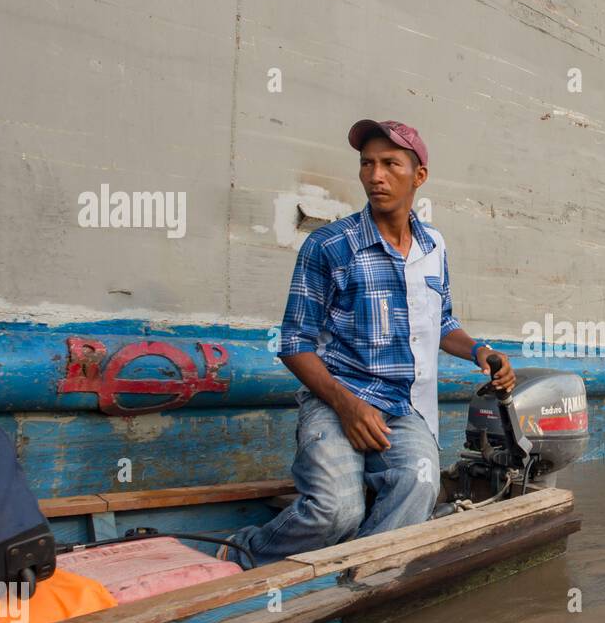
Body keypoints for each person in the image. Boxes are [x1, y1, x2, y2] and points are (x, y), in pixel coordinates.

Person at [220, 119, 514, 568]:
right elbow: (294, 342)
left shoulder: (434, 246)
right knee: (336, 510)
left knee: (420, 485)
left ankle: (357, 577)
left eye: (390, 164)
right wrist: (346, 405)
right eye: (367, 164)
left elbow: (442, 319)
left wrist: (480, 352)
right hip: (335, 401)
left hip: (400, 407)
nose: (375, 176)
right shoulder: (328, 246)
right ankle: (244, 551)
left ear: (419, 176)